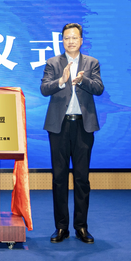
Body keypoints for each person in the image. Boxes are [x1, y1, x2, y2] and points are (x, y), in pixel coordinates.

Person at [40, 23, 104, 244]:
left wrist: (82, 80)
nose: (70, 41)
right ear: (62, 41)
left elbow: (99, 88)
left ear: (81, 40)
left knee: (81, 178)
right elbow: (44, 89)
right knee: (59, 178)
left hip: (83, 127)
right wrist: (62, 81)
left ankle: (81, 227)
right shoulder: (53, 63)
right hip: (59, 127)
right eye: (67, 38)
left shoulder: (92, 63)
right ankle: (61, 227)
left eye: (74, 38)